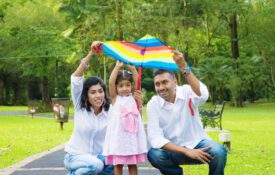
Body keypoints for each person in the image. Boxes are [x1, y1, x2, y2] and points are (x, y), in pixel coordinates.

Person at [146, 50, 227, 175]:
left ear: (175, 82)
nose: (161, 87)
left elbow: (203, 95)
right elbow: (155, 138)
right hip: (173, 151)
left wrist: (184, 66)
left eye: (165, 82)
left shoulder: (187, 91)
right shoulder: (153, 104)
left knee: (219, 151)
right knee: (154, 154)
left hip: (198, 144)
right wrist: (185, 151)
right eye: (157, 84)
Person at [63, 41, 114, 175]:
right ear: (86, 95)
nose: (98, 95)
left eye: (100, 91)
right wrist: (91, 53)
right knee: (96, 165)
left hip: (97, 158)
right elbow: (75, 79)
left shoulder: (110, 111)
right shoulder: (80, 107)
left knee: (109, 159)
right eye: (93, 92)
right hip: (75, 157)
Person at [103, 60, 147, 175]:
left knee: (132, 163)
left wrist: (133, 69)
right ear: (116, 87)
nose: (124, 88)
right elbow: (111, 82)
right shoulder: (115, 99)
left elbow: (137, 81)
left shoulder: (134, 97)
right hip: (119, 138)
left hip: (132, 138)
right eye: (121, 85)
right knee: (118, 164)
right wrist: (117, 67)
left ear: (132, 86)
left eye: (128, 85)